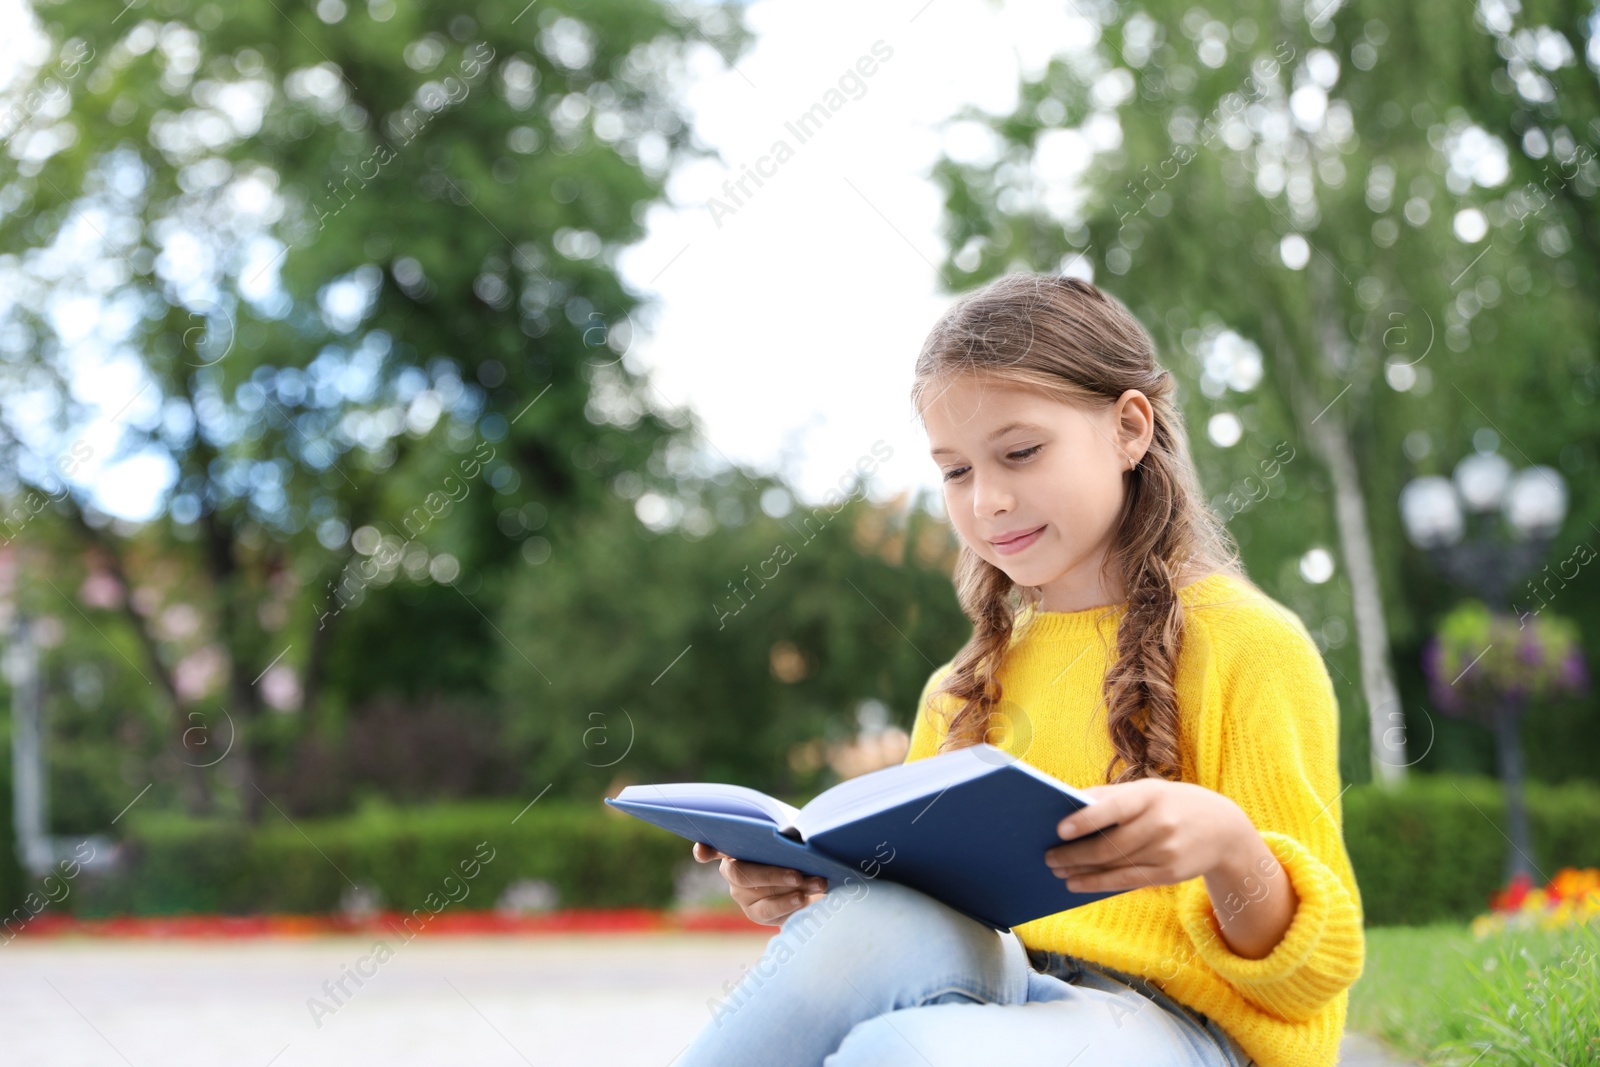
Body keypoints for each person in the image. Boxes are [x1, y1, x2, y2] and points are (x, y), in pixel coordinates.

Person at [678, 272, 1364, 1067]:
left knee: (899, 1053)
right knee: (853, 932)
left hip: (1184, 1034)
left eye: (1021, 452)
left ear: (1130, 428)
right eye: (957, 471)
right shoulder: (959, 688)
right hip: (1002, 989)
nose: (989, 501)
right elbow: (911, 920)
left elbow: (1312, 978)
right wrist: (806, 886)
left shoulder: (1249, 644)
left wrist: (1228, 847)